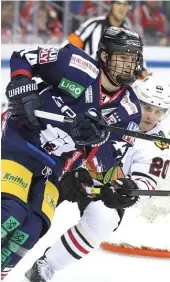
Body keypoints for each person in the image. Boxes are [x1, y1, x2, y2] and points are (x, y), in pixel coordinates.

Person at [1, 27, 143, 279]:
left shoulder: (129, 111)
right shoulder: (75, 64)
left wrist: (96, 140)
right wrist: (21, 83)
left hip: (54, 169)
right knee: (10, 212)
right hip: (18, 143)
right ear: (104, 57)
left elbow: (105, 159)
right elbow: (23, 57)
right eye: (122, 57)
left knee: (32, 227)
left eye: (132, 60)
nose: (127, 65)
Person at [22, 78, 170, 282]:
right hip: (67, 167)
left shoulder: (159, 144)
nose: (152, 117)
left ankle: (47, 265)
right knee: (25, 209)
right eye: (147, 106)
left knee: (105, 218)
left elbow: (146, 183)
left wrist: (129, 189)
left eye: (159, 111)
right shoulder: (115, 107)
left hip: (101, 189)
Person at [62, 0, 150, 79]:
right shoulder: (93, 24)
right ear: (111, 5)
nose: (122, 8)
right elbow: (68, 47)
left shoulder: (129, 33)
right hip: (85, 77)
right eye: (118, 3)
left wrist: (143, 71)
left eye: (125, 4)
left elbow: (136, 61)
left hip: (113, 84)